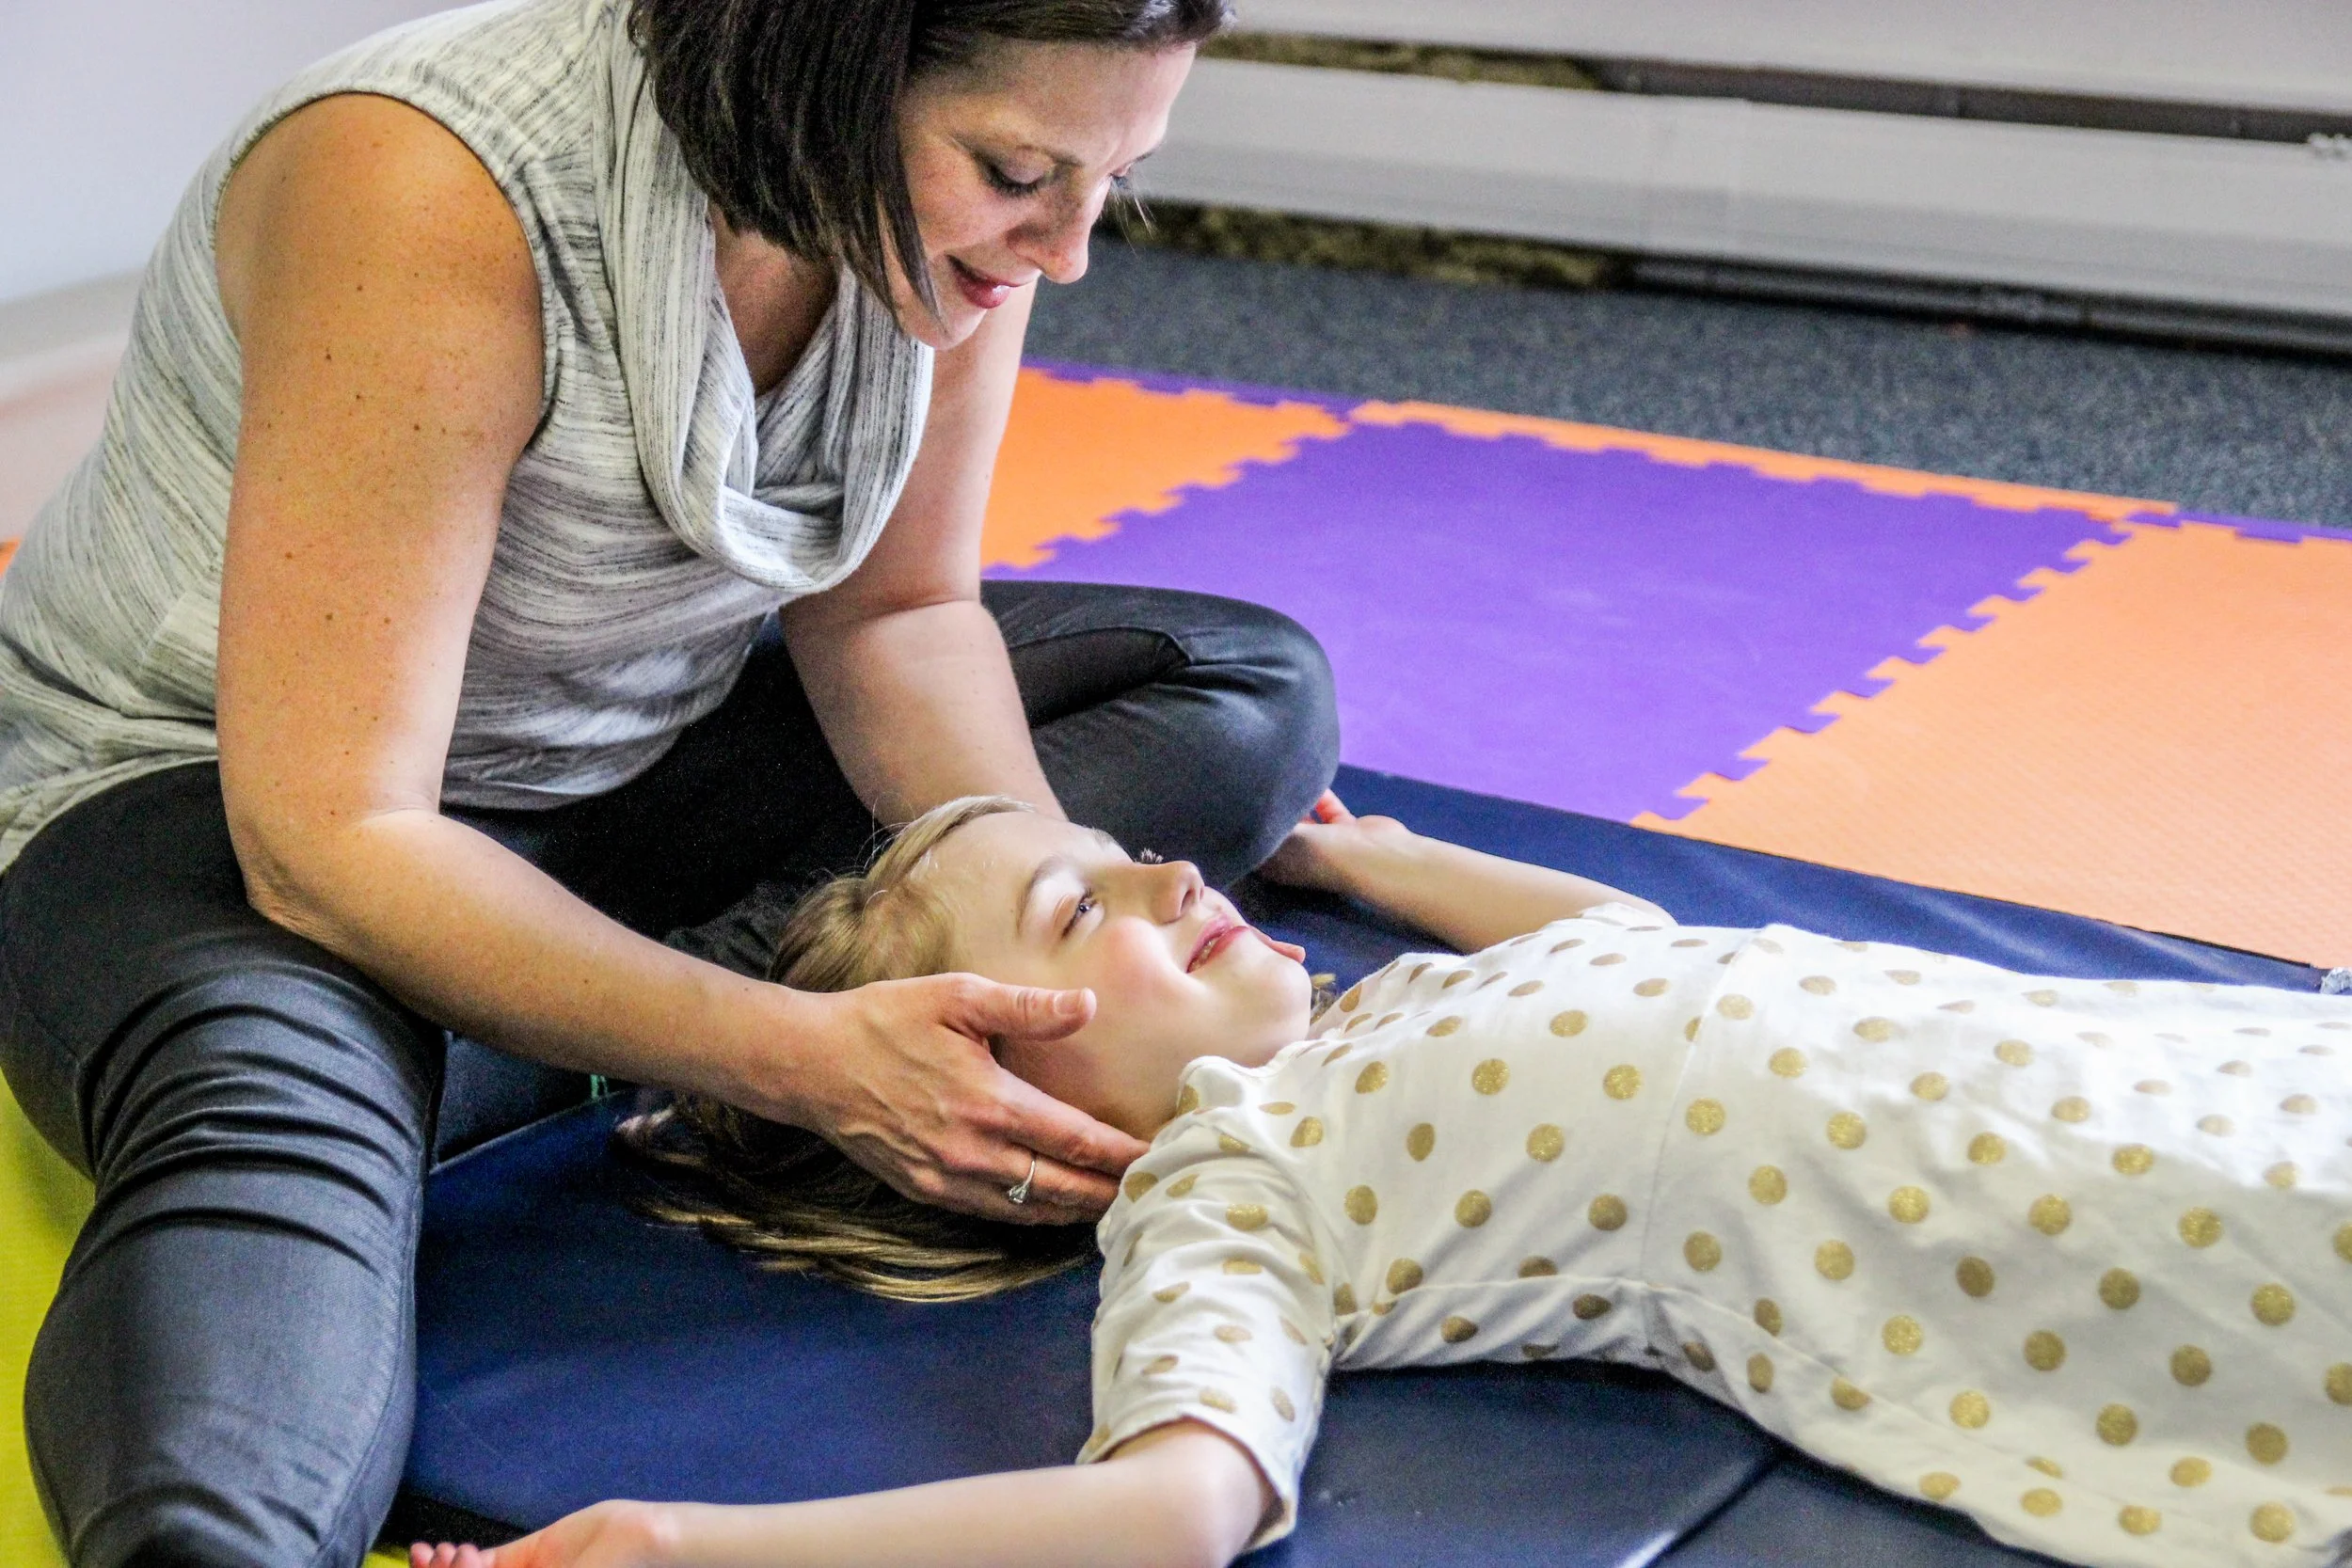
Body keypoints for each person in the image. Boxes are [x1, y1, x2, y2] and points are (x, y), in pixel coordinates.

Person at [0, 0, 1343, 1562]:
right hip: (231, 818)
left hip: (624, 770)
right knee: (268, 1124)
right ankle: (445, 1061)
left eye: (1114, 181)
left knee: (1239, 689)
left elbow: (898, 616)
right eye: (1020, 170)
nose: (1067, 248)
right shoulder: (433, 178)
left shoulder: (948, 224)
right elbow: (332, 836)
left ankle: (510, 1030)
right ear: (824, 64)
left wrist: (1034, 905)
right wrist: (802, 1058)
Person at [420, 791, 2348, 1568]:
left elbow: (1619, 932)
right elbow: (1178, 1506)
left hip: (2111, 1055)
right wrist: (686, 1545)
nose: (1174, 875)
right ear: (1006, 1131)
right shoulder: (1236, 1177)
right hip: (2017, 1204)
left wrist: (1394, 855)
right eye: (1078, 907)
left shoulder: (1369, 999)